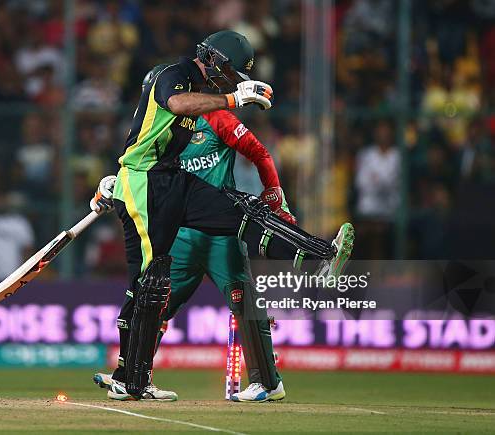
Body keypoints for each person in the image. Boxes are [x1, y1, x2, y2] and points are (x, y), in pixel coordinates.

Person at [90, 30, 354, 401]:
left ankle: (318, 258)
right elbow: (176, 107)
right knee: (151, 281)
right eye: (228, 73)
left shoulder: (209, 108)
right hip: (148, 186)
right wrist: (230, 99)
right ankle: (131, 380)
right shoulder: (174, 75)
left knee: (244, 211)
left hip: (169, 183)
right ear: (213, 60)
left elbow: (146, 140)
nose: (229, 82)